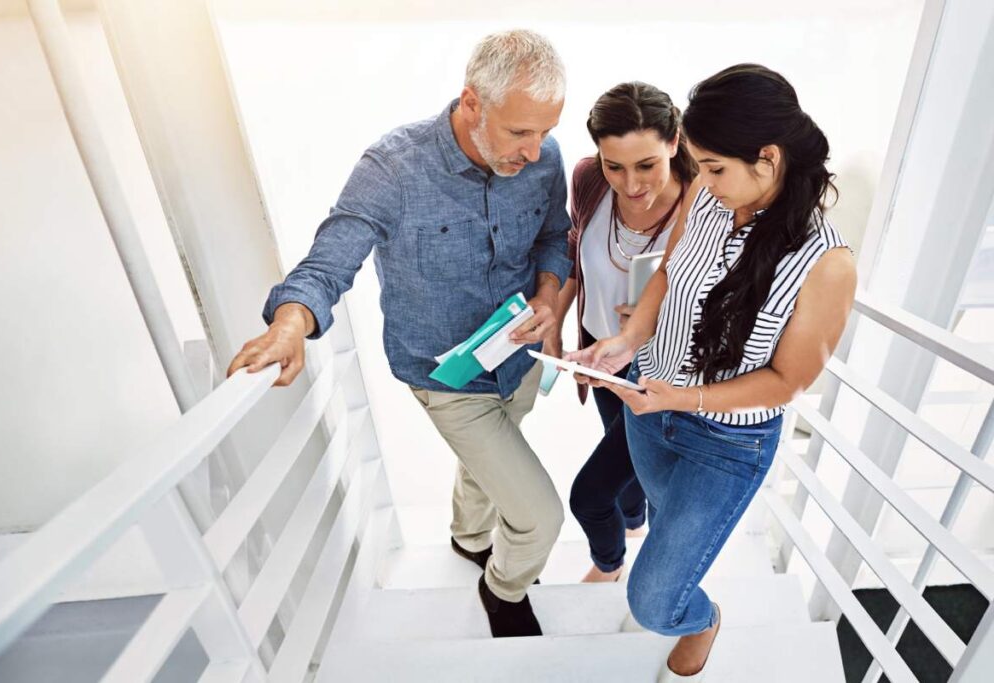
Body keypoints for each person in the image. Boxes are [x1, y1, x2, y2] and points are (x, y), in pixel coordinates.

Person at [227, 30, 573, 639]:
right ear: (472, 103)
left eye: (544, 131)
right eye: (520, 132)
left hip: (519, 359)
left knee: (490, 461)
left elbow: (552, 236)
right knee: (540, 517)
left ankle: (469, 540)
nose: (535, 149)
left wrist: (548, 297)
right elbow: (332, 259)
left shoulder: (544, 160)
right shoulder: (392, 168)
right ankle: (503, 587)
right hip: (445, 376)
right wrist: (289, 324)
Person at [566, 64, 856, 681]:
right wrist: (623, 343)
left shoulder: (826, 264)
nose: (702, 179)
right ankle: (681, 593)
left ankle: (701, 620)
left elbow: (787, 382)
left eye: (716, 167)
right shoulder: (707, 193)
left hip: (725, 442)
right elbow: (669, 275)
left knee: (653, 600)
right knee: (668, 535)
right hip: (653, 408)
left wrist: (686, 397)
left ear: (769, 158)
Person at [549, 82, 697, 584]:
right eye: (616, 166)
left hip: (656, 371)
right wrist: (555, 316)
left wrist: (661, 311)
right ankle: (632, 523)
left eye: (646, 165)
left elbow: (726, 302)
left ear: (674, 143)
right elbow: (574, 255)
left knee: (591, 496)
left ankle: (610, 565)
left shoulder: (703, 207)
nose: (630, 184)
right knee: (629, 475)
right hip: (598, 354)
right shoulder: (588, 179)